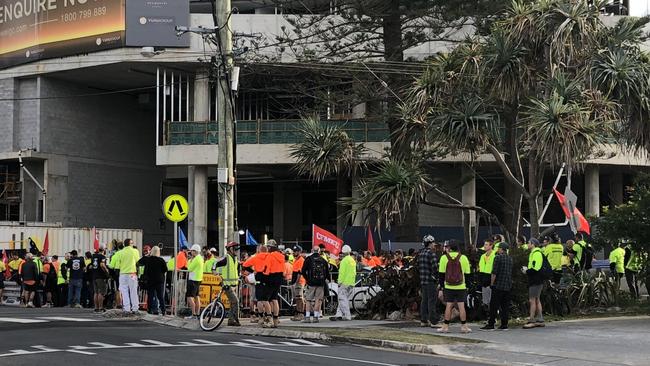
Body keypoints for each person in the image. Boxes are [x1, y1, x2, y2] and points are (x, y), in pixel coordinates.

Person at [437, 240, 471, 333]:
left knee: (448, 306)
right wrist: (467, 286)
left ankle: (445, 326)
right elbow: (467, 274)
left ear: (450, 248)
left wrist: (442, 286)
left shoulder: (444, 258)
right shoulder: (463, 258)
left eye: (447, 247)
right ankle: (464, 326)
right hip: (461, 286)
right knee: (461, 306)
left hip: (448, 286)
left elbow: (441, 274)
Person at [481, 243, 513, 331]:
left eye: (498, 248)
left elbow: (494, 272)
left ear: (501, 249)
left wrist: (492, 283)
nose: (497, 250)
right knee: (505, 306)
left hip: (498, 285)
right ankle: (504, 324)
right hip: (507, 285)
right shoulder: (510, 259)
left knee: (494, 305)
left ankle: (491, 324)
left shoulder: (497, 258)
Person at [212, 241, 242, 326]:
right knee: (235, 301)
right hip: (226, 285)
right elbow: (215, 263)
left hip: (234, 285)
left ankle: (231, 320)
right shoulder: (226, 258)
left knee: (233, 302)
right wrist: (214, 271)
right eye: (235, 249)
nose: (237, 251)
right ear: (230, 249)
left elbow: (236, 270)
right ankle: (235, 320)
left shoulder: (235, 259)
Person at [302, 246, 330, 323]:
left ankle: (307, 317)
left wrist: (308, 279)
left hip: (311, 283)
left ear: (312, 250)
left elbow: (303, 271)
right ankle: (315, 317)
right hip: (320, 283)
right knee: (318, 300)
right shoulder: (323, 260)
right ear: (319, 251)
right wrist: (324, 280)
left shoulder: (308, 259)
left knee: (308, 299)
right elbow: (327, 273)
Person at [261, 240, 285, 328]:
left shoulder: (270, 256)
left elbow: (267, 269)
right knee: (274, 299)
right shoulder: (282, 256)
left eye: (268, 247)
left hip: (270, 278)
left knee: (264, 299)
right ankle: (275, 321)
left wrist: (263, 277)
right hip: (279, 278)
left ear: (270, 248)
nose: (267, 248)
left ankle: (269, 319)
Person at [243, 245, 269, 324]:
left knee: (260, 299)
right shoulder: (254, 257)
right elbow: (245, 266)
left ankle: (261, 315)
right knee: (253, 298)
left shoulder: (263, 257)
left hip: (258, 279)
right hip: (253, 279)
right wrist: (253, 272)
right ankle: (253, 315)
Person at [418, 235, 439, 328]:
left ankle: (424, 320)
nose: (434, 244)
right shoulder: (431, 253)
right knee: (432, 301)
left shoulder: (421, 253)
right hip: (431, 281)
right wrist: (437, 278)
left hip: (423, 281)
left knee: (424, 300)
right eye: (433, 242)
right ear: (430, 243)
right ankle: (433, 321)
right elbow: (435, 268)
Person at [330, 244, 356, 321]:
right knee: (343, 299)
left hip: (344, 282)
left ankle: (348, 316)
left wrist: (339, 282)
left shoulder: (344, 261)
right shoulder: (352, 260)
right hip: (351, 282)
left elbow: (342, 273)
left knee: (342, 299)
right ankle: (338, 315)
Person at [524, 238, 545, 329]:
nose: (527, 244)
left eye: (528, 243)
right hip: (537, 280)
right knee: (536, 299)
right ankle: (539, 319)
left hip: (535, 280)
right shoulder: (535, 253)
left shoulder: (536, 253)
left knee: (532, 300)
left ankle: (532, 319)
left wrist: (527, 271)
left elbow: (535, 268)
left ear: (533, 244)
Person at [116, 238, 141, 314]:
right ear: (130, 244)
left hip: (123, 274)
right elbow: (138, 261)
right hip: (132, 273)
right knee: (133, 291)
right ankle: (135, 308)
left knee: (124, 291)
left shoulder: (120, 252)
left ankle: (127, 309)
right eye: (132, 243)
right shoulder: (135, 251)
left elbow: (117, 265)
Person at [143, 246, 167, 315]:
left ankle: (149, 309)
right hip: (159, 280)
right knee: (160, 296)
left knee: (150, 296)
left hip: (150, 280)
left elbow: (143, 266)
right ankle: (163, 310)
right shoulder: (161, 260)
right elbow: (165, 269)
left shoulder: (148, 260)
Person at [185, 244, 204, 319]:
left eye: (192, 251)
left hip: (193, 279)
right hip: (198, 279)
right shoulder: (200, 258)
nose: (191, 253)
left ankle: (193, 314)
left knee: (189, 297)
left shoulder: (196, 259)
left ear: (195, 251)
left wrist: (190, 260)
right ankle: (197, 314)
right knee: (196, 297)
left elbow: (189, 268)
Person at [290, 246, 307, 321]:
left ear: (299, 252)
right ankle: (298, 313)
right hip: (296, 282)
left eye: (296, 251)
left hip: (299, 282)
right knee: (297, 298)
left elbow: (299, 273)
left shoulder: (301, 260)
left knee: (300, 298)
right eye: (294, 251)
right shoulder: (296, 260)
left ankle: (301, 314)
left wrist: (296, 282)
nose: (294, 253)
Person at [92, 245, 110, 313]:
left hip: (94, 276)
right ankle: (100, 307)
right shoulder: (102, 257)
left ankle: (96, 308)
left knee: (96, 292)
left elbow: (92, 266)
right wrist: (106, 271)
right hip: (100, 276)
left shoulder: (94, 256)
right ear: (103, 250)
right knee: (101, 292)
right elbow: (102, 264)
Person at [478, 239, 495, 309]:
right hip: (483, 278)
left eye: (486, 244)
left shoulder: (495, 255)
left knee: (492, 299)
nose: (484, 246)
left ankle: (493, 315)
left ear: (491, 246)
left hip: (491, 278)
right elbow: (480, 267)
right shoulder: (482, 256)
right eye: (484, 244)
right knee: (485, 300)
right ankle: (486, 314)